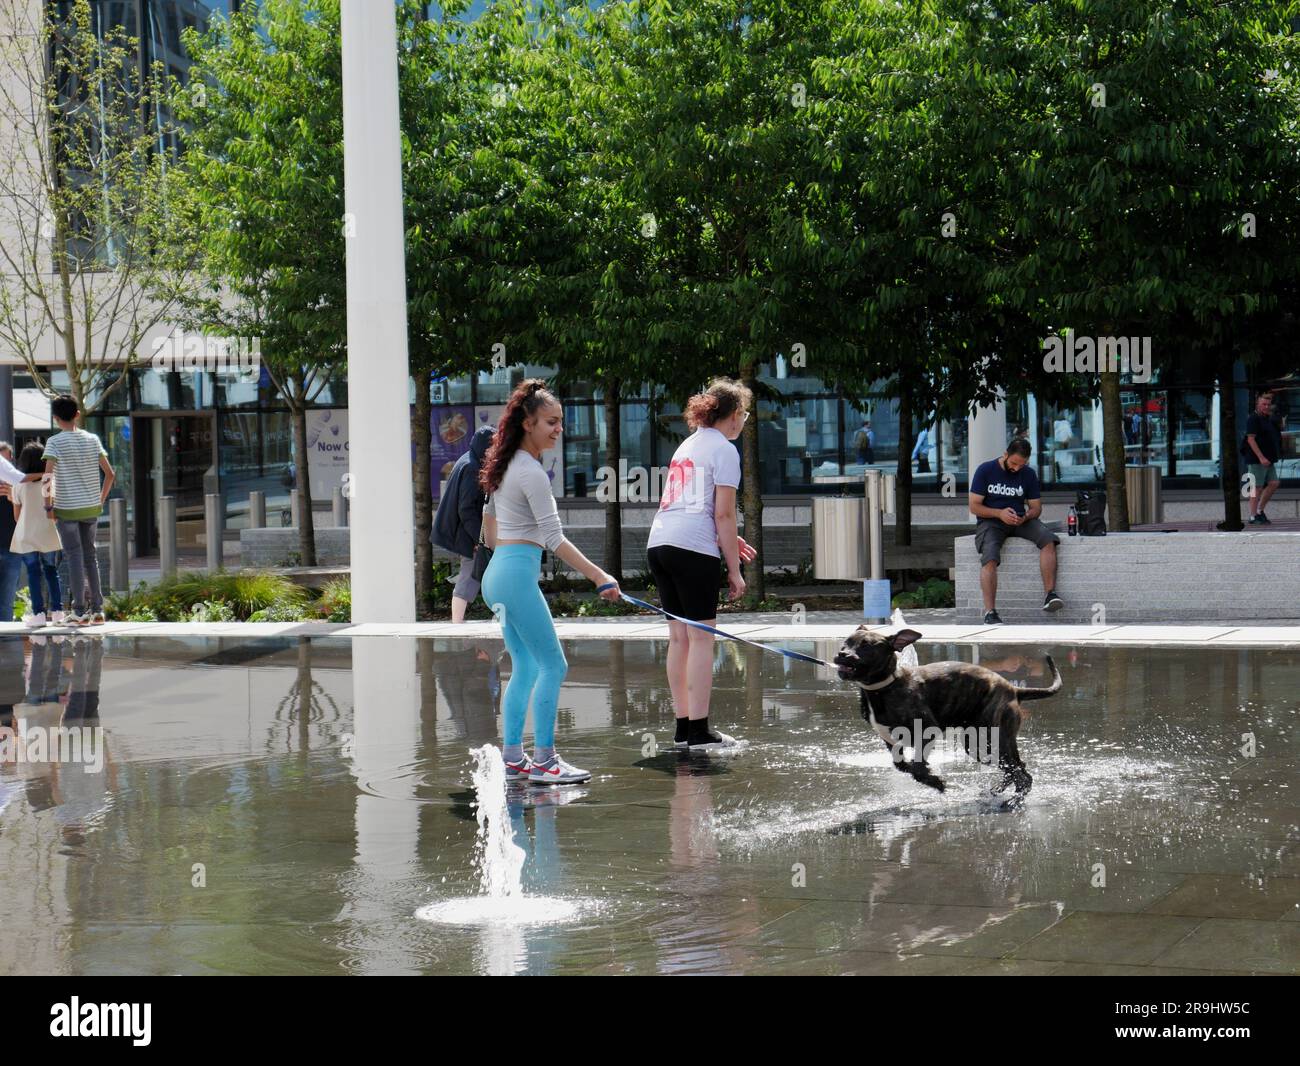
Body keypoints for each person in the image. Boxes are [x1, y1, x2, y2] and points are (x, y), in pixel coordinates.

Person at [478, 379, 621, 785]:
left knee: (524, 665)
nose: (559, 429)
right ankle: (545, 761)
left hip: (499, 573)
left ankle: (513, 758)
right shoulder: (532, 472)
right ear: (528, 423)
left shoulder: (506, 467)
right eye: (550, 422)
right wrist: (600, 577)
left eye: (560, 422)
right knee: (554, 665)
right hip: (515, 575)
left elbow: (490, 529)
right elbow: (554, 538)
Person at [646, 378, 758, 752]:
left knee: (679, 639)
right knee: (702, 640)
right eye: (744, 415)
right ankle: (700, 731)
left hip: (661, 543)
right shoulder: (724, 449)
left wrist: (725, 542)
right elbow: (724, 514)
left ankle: (683, 728)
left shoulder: (688, 444)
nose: (743, 422)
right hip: (692, 550)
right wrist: (734, 569)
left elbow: (695, 507)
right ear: (735, 416)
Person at [968, 438, 1063, 624]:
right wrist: (999, 513)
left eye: (1022, 464)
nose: (1017, 468)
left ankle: (1050, 595)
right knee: (990, 557)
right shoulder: (985, 470)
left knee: (1048, 539)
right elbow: (974, 506)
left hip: (1020, 520)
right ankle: (990, 612)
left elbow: (1036, 508)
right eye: (1013, 463)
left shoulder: (1028, 474)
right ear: (1005, 454)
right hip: (991, 521)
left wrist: (1026, 516)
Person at [42, 395, 115, 626]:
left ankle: (79, 611)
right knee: (90, 556)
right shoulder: (92, 439)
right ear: (77, 414)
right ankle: (98, 610)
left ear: (55, 418)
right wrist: (100, 499)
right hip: (91, 508)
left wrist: (48, 506)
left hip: (66, 509)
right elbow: (110, 474)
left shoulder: (54, 442)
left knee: (74, 556)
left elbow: (47, 477)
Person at [431, 424, 494, 622]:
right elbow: (466, 509)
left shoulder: (467, 459)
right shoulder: (472, 467)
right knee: (469, 575)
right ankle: (457, 624)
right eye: (492, 446)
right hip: (466, 532)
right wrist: (479, 538)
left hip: (463, 529)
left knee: (475, 574)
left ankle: (461, 621)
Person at [10, 442, 64, 627]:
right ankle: (58, 612)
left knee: (33, 573)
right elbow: (55, 509)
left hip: (27, 534)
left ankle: (39, 614)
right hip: (48, 531)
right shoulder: (50, 481)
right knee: (51, 571)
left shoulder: (18, 485)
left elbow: (17, 516)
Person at [1242, 390, 1282, 525]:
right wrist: (1261, 457)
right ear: (1258, 404)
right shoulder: (1253, 418)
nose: (1266, 407)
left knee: (1274, 483)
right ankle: (1253, 516)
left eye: (1268, 404)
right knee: (1256, 487)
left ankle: (1260, 510)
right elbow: (1250, 439)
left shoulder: (1267, 419)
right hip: (1257, 459)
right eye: (1263, 404)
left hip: (1268, 459)